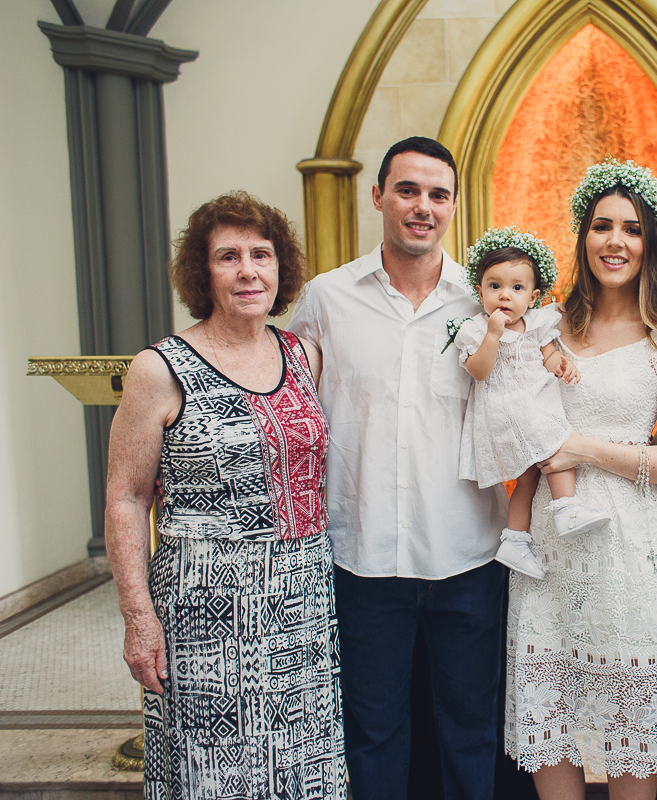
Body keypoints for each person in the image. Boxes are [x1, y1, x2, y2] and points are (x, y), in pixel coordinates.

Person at [287, 136, 507, 800]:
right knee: (374, 734)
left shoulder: (483, 303)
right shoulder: (327, 300)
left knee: (470, 733)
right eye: (407, 190)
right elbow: (290, 409)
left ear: (454, 208)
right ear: (378, 195)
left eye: (438, 195)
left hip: (466, 555)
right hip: (362, 557)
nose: (422, 206)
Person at [105, 191, 344, 799]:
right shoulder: (160, 368)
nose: (247, 270)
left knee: (302, 767)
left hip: (301, 604)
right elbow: (126, 497)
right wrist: (138, 619)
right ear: (201, 273)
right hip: (205, 610)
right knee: (215, 771)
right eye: (228, 256)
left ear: (280, 268)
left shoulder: (303, 355)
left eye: (261, 255)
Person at [504, 158, 657, 800]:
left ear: (650, 242)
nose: (614, 241)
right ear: (582, 236)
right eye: (601, 226)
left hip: (632, 545)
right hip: (550, 548)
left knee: (631, 727)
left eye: (630, 228)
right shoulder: (542, 326)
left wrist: (581, 449)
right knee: (552, 715)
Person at [455, 227, 610, 580]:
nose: (504, 296)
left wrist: (563, 366)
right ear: (480, 291)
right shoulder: (477, 330)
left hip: (534, 404)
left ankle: (514, 539)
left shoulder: (538, 324)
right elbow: (479, 372)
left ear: (534, 296)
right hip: (507, 410)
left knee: (527, 479)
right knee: (558, 445)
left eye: (516, 288)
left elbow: (550, 357)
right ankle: (566, 507)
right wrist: (493, 336)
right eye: (494, 286)